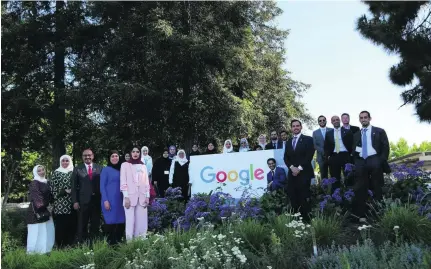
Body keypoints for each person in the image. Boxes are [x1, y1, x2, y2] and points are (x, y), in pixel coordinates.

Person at [352, 111, 390, 222]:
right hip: (361, 162)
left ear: (370, 118)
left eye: (365, 117)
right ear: (359, 120)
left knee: (377, 187)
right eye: (361, 118)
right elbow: (353, 150)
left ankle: (377, 214)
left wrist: (380, 161)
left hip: (374, 160)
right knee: (360, 189)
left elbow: (385, 147)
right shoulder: (356, 135)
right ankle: (362, 215)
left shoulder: (379, 131)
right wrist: (356, 161)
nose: (363, 119)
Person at [284, 120, 315, 220]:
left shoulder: (308, 139)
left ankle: (306, 220)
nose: (295, 127)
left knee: (304, 197)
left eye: (297, 126)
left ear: (301, 127)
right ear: (291, 128)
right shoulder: (288, 142)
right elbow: (286, 158)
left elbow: (309, 155)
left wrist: (299, 168)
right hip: (292, 173)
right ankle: (296, 220)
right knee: (293, 196)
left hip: (304, 172)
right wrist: (292, 168)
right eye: (293, 126)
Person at [71, 149, 103, 243]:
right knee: (82, 224)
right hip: (82, 201)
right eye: (85, 155)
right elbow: (73, 187)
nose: (87, 157)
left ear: (93, 156)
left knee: (95, 223)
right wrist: (75, 201)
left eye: (89, 155)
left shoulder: (100, 168)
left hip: (97, 201)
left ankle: (95, 244)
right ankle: (82, 245)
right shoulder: (77, 168)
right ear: (82, 157)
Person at [120, 147, 150, 241]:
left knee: (141, 222)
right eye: (133, 151)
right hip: (129, 197)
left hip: (142, 198)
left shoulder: (143, 166)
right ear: (130, 153)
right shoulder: (125, 165)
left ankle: (140, 243)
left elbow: (146, 183)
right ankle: (130, 244)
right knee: (130, 222)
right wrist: (126, 197)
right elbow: (123, 182)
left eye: (137, 152)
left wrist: (147, 196)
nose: (135, 153)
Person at [27, 165, 55, 254]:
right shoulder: (34, 183)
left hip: (46, 210)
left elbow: (51, 196)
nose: (42, 172)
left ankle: (46, 252)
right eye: (39, 171)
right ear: (35, 172)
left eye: (43, 169)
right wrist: (48, 207)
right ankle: (33, 254)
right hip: (36, 212)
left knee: (47, 231)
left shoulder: (47, 182)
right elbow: (37, 199)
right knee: (36, 233)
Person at [49, 155, 76, 247]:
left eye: (67, 161)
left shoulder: (74, 171)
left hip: (72, 203)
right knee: (61, 225)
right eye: (63, 161)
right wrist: (64, 191)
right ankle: (61, 246)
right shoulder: (56, 173)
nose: (65, 163)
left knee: (72, 224)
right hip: (60, 204)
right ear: (60, 162)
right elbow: (52, 188)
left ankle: (70, 245)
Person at [100, 150, 125, 245]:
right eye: (112, 156)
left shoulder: (122, 169)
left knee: (120, 224)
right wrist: (105, 200)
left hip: (121, 201)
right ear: (109, 158)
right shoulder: (106, 169)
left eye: (116, 156)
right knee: (110, 224)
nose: (115, 158)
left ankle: (119, 245)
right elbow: (102, 186)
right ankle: (110, 246)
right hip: (109, 201)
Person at [324, 115, 353, 190]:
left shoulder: (347, 131)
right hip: (334, 157)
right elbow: (326, 147)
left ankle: (349, 195)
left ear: (339, 120)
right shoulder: (328, 133)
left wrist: (351, 156)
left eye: (337, 119)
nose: (336, 121)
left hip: (345, 156)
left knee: (349, 176)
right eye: (334, 120)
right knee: (334, 178)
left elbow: (352, 144)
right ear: (331, 122)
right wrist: (327, 158)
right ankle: (336, 197)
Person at [313, 115, 333, 180]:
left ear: (326, 121)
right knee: (324, 176)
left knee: (334, 174)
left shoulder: (332, 130)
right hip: (321, 158)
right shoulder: (315, 132)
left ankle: (335, 189)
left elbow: (334, 143)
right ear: (318, 122)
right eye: (320, 120)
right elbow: (315, 145)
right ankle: (324, 189)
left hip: (332, 156)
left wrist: (329, 152)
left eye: (323, 120)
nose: (322, 121)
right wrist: (324, 151)